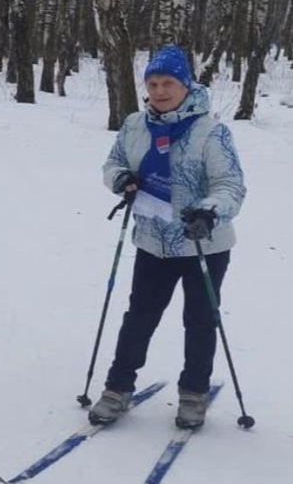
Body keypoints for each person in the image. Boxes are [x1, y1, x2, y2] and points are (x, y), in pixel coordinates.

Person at [91, 44, 246, 429]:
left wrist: (209, 212)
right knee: (139, 317)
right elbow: (113, 163)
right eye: (153, 83)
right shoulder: (134, 125)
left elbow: (231, 185)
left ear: (186, 85)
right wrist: (121, 179)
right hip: (153, 241)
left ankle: (194, 393)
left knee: (199, 320)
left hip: (202, 243)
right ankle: (117, 388)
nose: (159, 91)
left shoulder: (211, 131)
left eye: (168, 83)